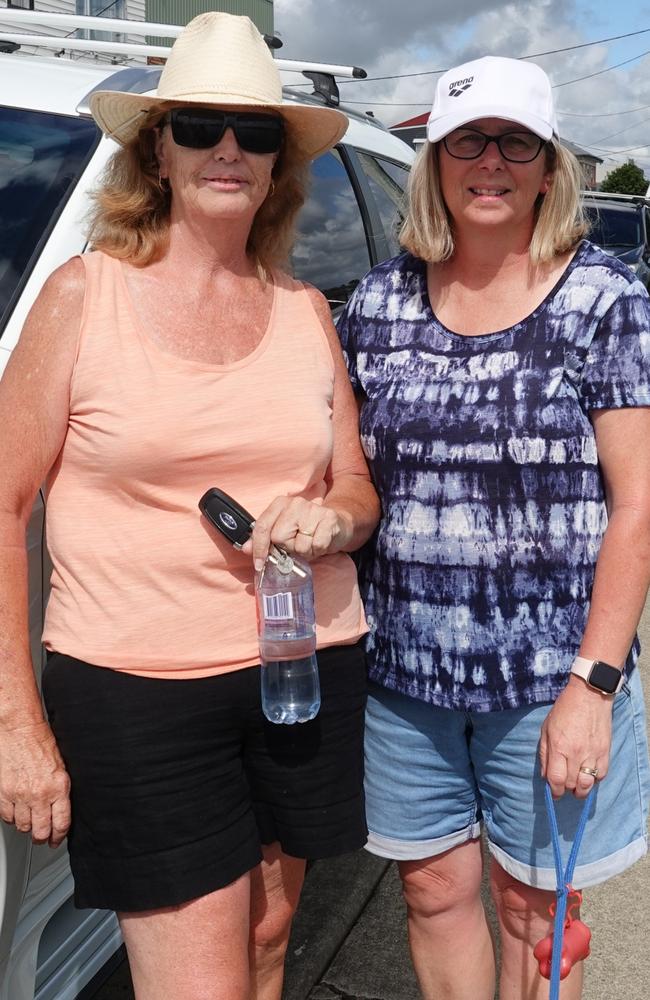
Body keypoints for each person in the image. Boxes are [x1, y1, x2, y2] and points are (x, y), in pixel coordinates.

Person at [0, 13, 379, 1000]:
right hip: (141, 691)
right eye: (201, 123)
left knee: (268, 935)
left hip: (302, 665)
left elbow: (354, 487)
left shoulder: (303, 309)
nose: (227, 147)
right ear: (158, 149)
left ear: (274, 166)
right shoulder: (85, 295)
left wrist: (333, 519)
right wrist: (14, 717)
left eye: (253, 133)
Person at [338, 55, 650, 1000]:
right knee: (433, 893)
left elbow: (637, 504)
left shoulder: (605, 302)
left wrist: (592, 686)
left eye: (516, 142)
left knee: (532, 912)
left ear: (548, 166)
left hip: (547, 677)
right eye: (467, 140)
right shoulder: (378, 305)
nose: (490, 162)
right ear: (434, 159)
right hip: (405, 680)